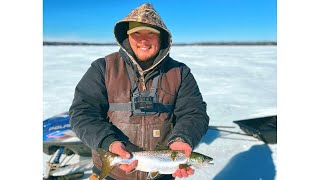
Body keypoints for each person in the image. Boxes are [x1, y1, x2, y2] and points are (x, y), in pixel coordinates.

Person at [69, 3, 209, 180]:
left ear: (162, 38)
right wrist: (108, 143)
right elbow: (82, 113)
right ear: (127, 37)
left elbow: (194, 113)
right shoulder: (103, 68)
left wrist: (183, 138)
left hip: (161, 173)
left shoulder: (180, 73)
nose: (144, 40)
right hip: (112, 172)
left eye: (151, 33)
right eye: (137, 33)